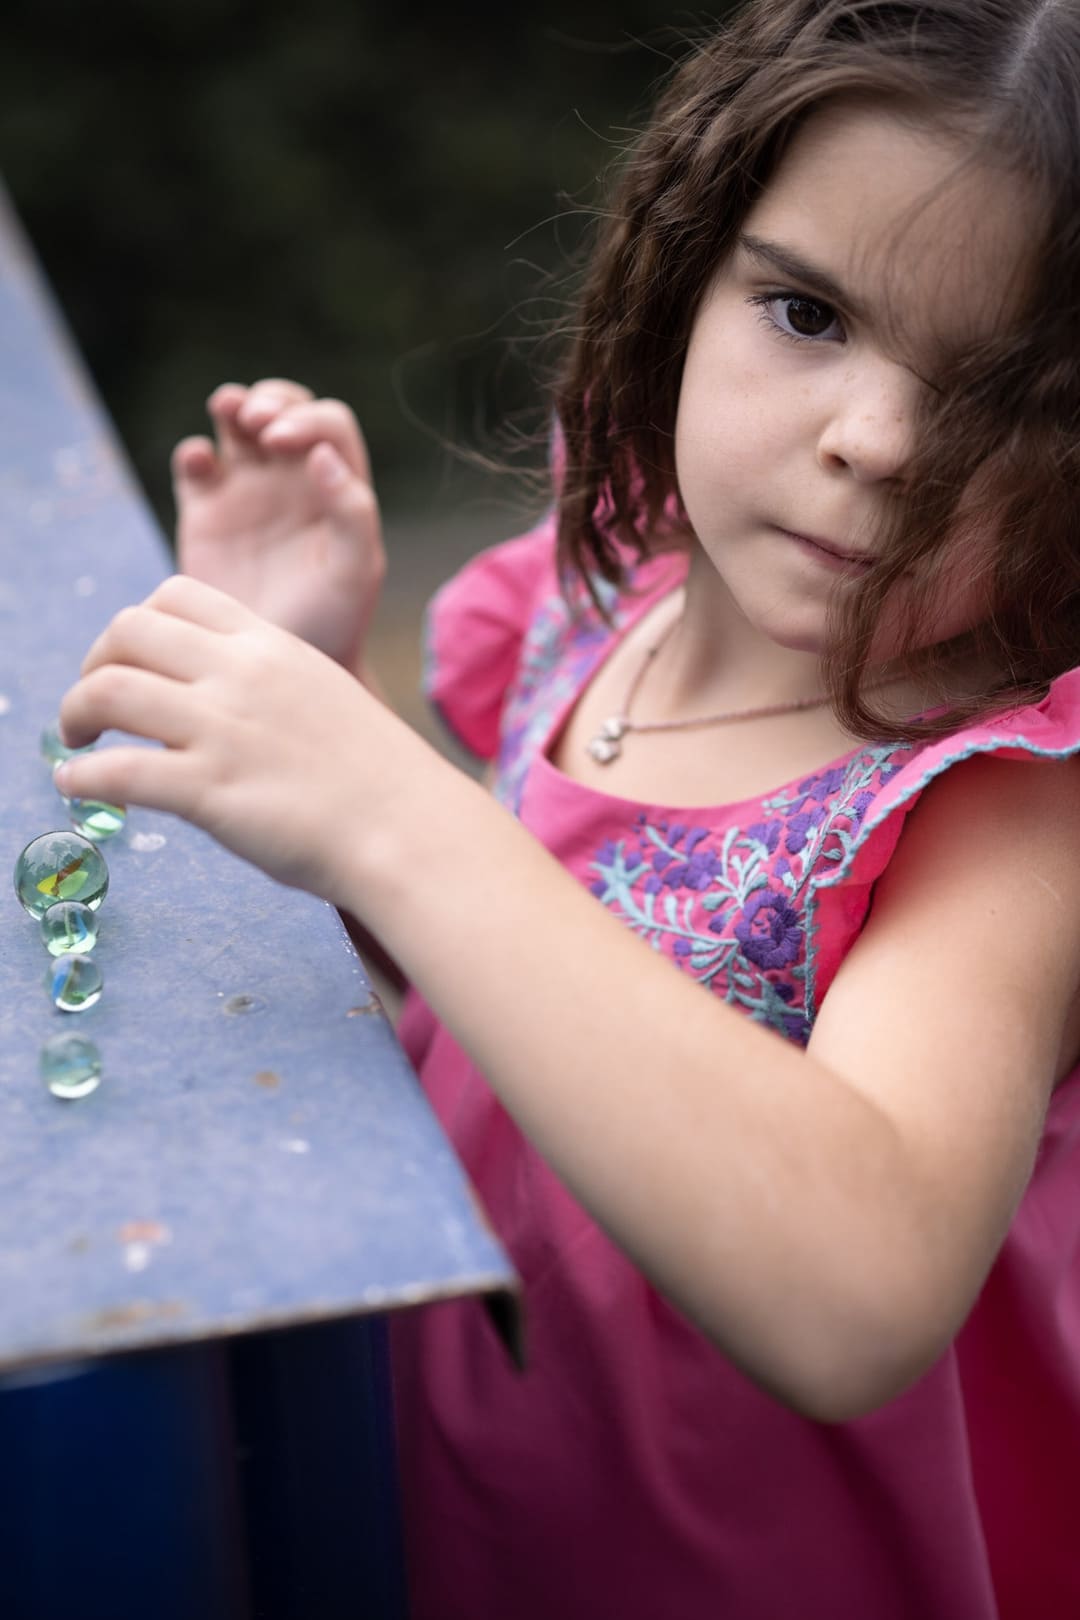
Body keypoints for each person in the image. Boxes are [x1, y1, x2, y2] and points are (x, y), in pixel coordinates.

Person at [56, 2, 1080, 1614]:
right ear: (687, 259)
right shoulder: (612, 600)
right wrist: (318, 711)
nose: (874, 443)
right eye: (809, 313)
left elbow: (857, 1294)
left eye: (1015, 399)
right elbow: (498, 1009)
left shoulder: (1008, 808)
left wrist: (395, 808)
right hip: (454, 1509)